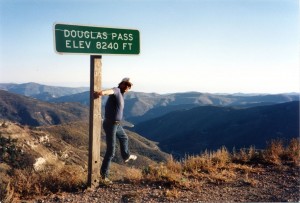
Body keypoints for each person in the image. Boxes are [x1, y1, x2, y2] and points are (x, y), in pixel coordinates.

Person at [93, 77, 137, 184]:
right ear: (121, 84)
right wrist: (101, 93)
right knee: (111, 152)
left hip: (117, 124)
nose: (127, 87)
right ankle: (104, 176)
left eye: (129, 86)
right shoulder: (117, 90)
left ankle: (126, 156)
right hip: (111, 124)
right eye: (125, 84)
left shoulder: (121, 94)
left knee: (124, 138)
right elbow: (110, 91)